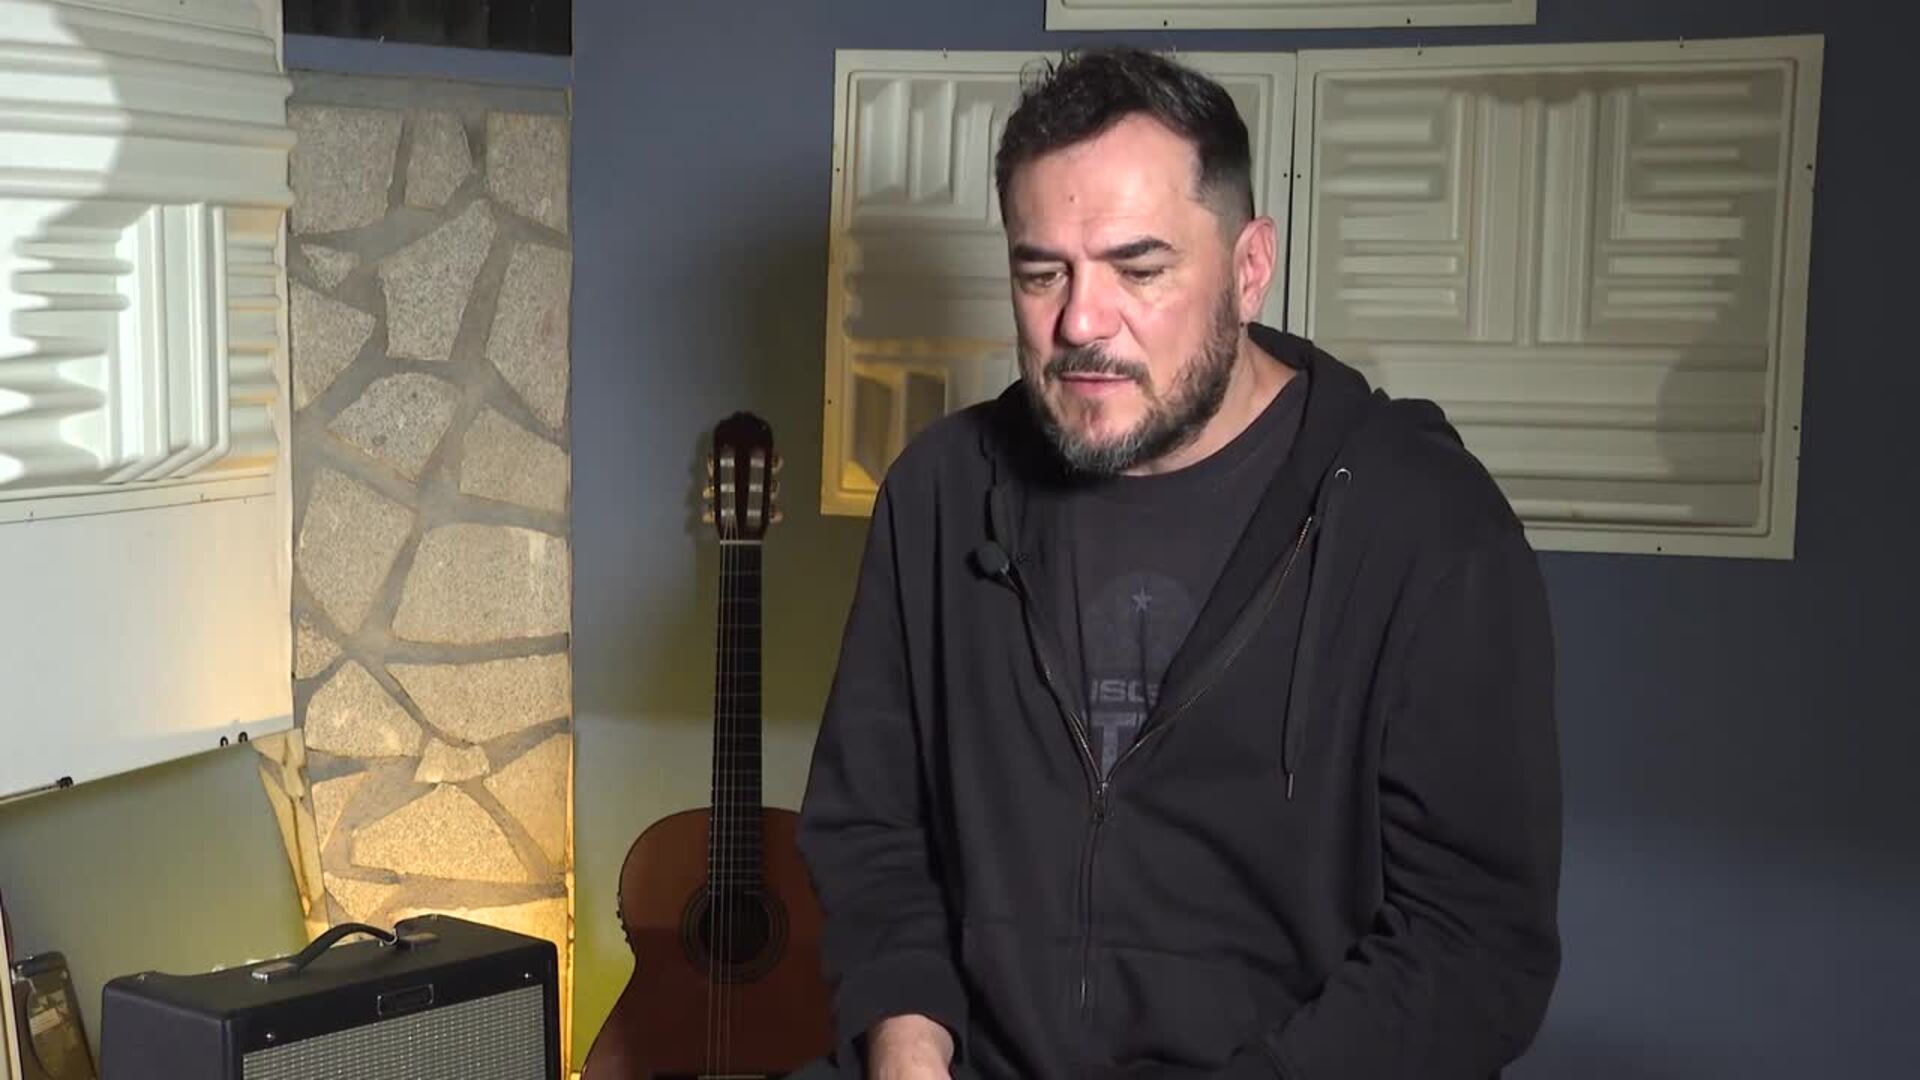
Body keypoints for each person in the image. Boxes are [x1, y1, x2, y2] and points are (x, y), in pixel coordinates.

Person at [796, 46, 1561, 1079]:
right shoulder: (938, 493)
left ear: (1250, 267)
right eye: (1042, 273)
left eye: (1138, 268)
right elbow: (875, 832)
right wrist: (907, 1044)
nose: (1079, 322)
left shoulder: (1426, 524)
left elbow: (1472, 944)